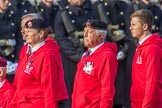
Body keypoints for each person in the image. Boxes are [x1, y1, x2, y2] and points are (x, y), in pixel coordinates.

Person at [12, 18, 68, 108]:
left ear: (41, 34)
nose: (25, 34)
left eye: (29, 31)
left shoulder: (46, 55)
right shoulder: (28, 51)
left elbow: (49, 88)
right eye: (26, 31)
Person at [54, 0, 98, 107]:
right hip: (70, 59)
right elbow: (61, 38)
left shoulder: (90, 12)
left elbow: (97, 33)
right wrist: (79, 55)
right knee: (70, 90)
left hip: (89, 55)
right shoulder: (63, 14)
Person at [72, 20, 118, 108]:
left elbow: (107, 88)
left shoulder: (107, 56)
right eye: (84, 31)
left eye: (89, 32)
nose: (84, 35)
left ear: (100, 36)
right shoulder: (87, 54)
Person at [130, 9, 162, 108]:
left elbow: (152, 81)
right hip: (137, 103)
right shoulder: (140, 47)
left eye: (134, 25)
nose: (130, 28)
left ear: (144, 26)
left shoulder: (152, 49)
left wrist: (146, 105)